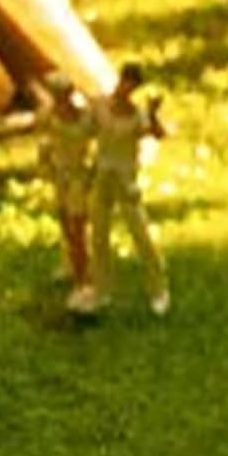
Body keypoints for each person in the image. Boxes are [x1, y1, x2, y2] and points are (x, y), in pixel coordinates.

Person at [82, 62, 169, 317]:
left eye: (131, 85)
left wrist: (153, 114)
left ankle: (158, 289)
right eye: (124, 82)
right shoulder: (100, 106)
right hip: (102, 176)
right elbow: (84, 129)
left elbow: (158, 133)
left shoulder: (137, 115)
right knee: (99, 236)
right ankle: (102, 289)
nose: (125, 88)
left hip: (125, 180)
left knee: (141, 233)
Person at [32, 71, 95, 305]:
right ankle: (72, 264)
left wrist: (94, 169)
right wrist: (44, 162)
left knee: (77, 227)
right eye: (56, 93)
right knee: (65, 222)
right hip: (60, 175)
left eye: (63, 93)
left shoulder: (85, 117)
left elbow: (98, 140)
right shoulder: (48, 115)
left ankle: (84, 280)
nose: (60, 98)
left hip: (78, 175)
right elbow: (44, 141)